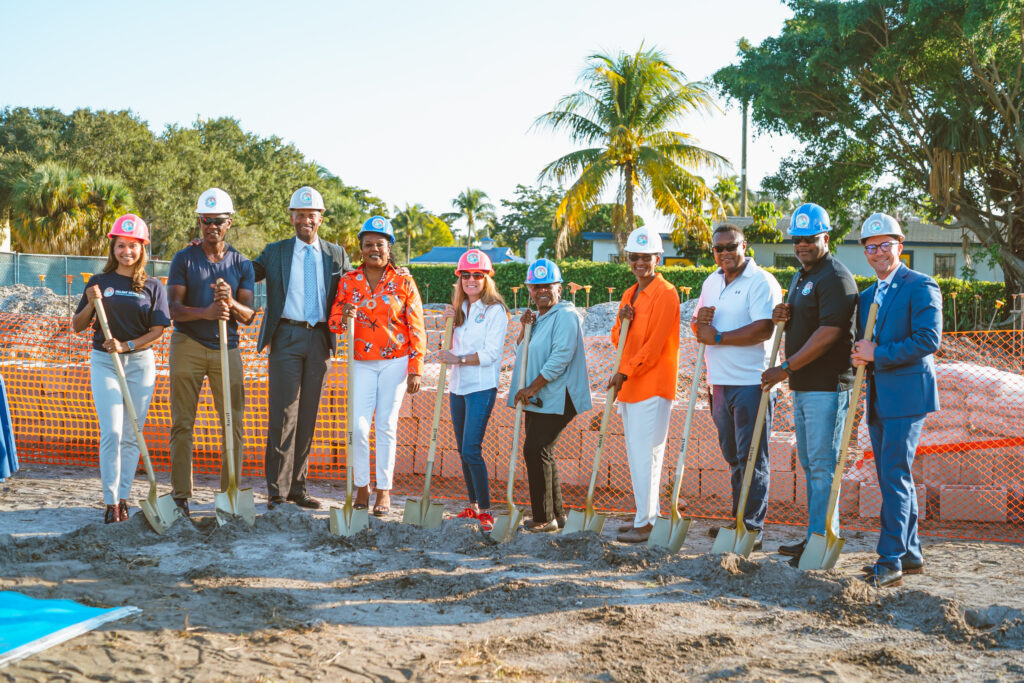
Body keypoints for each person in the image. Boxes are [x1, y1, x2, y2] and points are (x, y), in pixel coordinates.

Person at [760, 203, 859, 564]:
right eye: (797, 239)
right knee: (810, 464)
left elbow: (829, 334)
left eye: (809, 239)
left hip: (827, 387)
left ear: (826, 238)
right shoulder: (803, 275)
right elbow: (804, 318)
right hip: (804, 386)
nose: (802, 245)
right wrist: (784, 314)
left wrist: (784, 368)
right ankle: (814, 535)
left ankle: (822, 539)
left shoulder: (835, 277)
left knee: (822, 466)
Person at [851, 213, 942, 589]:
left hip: (907, 396)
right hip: (877, 398)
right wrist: (859, 354)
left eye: (886, 245)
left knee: (894, 476)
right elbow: (864, 344)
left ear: (900, 247)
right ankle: (910, 551)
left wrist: (878, 353)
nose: (879, 253)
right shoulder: (867, 295)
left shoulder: (921, 285)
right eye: (872, 247)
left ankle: (889, 560)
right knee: (895, 476)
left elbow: (928, 339)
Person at [252, 186, 353, 511]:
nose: (305, 219)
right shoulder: (276, 251)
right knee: (283, 413)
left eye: (312, 214)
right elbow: (246, 271)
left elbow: (356, 283)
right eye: (300, 214)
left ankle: (298, 488)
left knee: (308, 415)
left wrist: (396, 273)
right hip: (286, 336)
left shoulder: (335, 254)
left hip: (320, 339)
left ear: (320, 218)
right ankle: (276, 492)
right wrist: (215, 252)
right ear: (292, 217)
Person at [72, 215, 170, 523]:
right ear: (113, 247)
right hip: (105, 362)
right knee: (112, 432)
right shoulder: (99, 282)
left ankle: (124, 498)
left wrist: (127, 346)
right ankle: (110, 502)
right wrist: (90, 303)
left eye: (133, 246)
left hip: (140, 363)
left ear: (143, 249)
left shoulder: (153, 285)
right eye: (121, 245)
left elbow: (158, 330)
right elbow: (77, 326)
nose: (126, 252)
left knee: (132, 434)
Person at [167, 188, 256, 518]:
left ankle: (229, 491)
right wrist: (205, 312)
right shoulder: (184, 258)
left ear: (228, 223)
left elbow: (248, 316)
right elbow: (173, 309)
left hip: (226, 348)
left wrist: (229, 301)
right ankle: (180, 496)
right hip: (187, 344)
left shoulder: (241, 264)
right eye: (206, 220)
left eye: (218, 221)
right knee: (182, 424)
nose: (211, 226)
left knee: (233, 423)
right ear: (200, 222)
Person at [693, 224, 782, 551]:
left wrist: (718, 337)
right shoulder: (712, 281)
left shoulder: (761, 281)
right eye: (719, 249)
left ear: (745, 247)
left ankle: (752, 528)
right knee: (733, 455)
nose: (725, 253)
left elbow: (762, 328)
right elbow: (698, 325)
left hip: (752, 382)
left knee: (752, 455)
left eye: (732, 247)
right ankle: (739, 518)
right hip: (720, 382)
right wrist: (701, 324)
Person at [328, 216, 425, 517]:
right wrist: (344, 315)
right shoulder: (348, 281)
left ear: (389, 248)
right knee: (357, 427)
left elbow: (416, 325)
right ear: (360, 248)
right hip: (361, 363)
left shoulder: (404, 281)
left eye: (380, 245)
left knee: (385, 425)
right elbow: (333, 323)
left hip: (395, 361)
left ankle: (384, 490)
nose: (374, 249)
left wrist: (416, 366)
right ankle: (362, 485)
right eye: (368, 244)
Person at [607, 226, 680, 543]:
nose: (639, 262)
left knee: (648, 454)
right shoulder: (629, 294)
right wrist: (624, 321)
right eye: (634, 257)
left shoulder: (667, 294)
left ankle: (648, 522)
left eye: (645, 257)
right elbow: (616, 340)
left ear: (658, 258)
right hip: (631, 387)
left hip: (652, 385)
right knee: (637, 455)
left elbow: (653, 348)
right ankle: (644, 515)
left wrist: (624, 372)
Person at [508, 258, 592, 532]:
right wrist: (524, 327)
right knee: (543, 451)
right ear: (530, 289)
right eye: (535, 287)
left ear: (559, 288)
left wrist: (532, 387)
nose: (541, 292)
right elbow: (522, 350)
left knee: (535, 449)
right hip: (538, 397)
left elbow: (560, 358)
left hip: (557, 396)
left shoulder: (566, 316)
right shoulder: (538, 318)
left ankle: (543, 518)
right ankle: (557, 515)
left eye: (547, 286)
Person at [439, 249, 509, 533]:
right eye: (465, 275)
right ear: (460, 278)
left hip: (481, 387)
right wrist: (449, 320)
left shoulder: (495, 311)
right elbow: (453, 345)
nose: (471, 280)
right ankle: (473, 506)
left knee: (471, 449)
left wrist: (458, 359)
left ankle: (487, 511)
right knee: (462, 450)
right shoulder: (459, 310)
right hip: (458, 387)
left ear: (486, 278)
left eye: (477, 275)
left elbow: (492, 354)